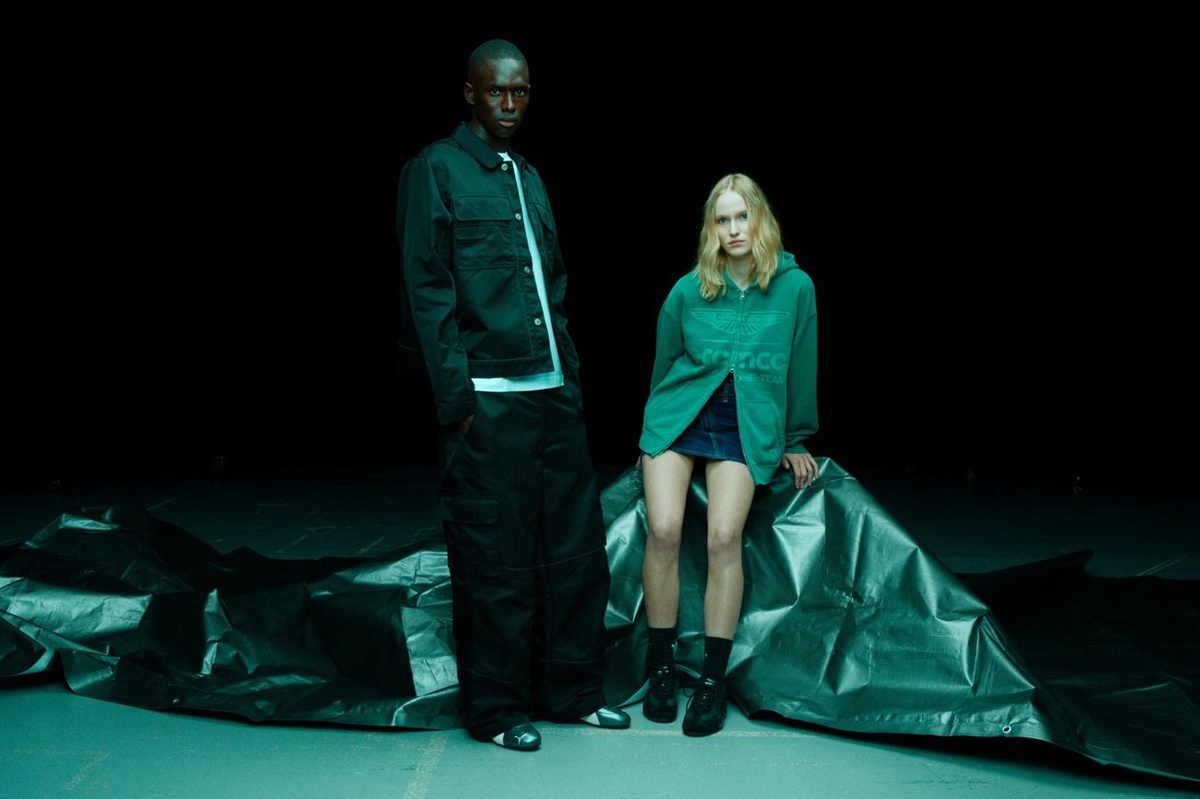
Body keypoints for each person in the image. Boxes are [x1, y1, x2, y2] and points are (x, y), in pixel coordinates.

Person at [395, 38, 630, 751]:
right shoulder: (435, 168)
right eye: (496, 91)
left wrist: (571, 377)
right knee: (495, 558)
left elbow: (552, 285)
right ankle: (497, 711)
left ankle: (573, 694)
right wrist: (458, 403)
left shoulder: (527, 174)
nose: (509, 103)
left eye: (520, 91)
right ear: (469, 92)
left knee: (573, 551)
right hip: (488, 399)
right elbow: (427, 290)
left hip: (553, 396)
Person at [637, 173, 819, 736]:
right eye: (723, 220)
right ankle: (662, 667)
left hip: (746, 424)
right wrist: (654, 436)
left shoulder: (796, 287)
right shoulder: (688, 288)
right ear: (710, 229)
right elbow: (664, 366)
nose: (734, 229)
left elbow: (801, 366)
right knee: (664, 530)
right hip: (681, 416)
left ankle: (711, 683)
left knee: (722, 538)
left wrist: (794, 439)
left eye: (743, 217)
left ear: (760, 219)